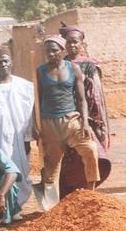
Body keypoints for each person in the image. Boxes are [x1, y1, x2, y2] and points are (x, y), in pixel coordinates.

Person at [33, 35, 100, 211]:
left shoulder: (74, 69)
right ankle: (52, 208)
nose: (51, 54)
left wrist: (85, 122)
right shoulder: (40, 72)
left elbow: (81, 99)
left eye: (55, 50)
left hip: (72, 120)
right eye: (48, 51)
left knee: (90, 150)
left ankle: (90, 192)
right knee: (51, 167)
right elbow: (37, 101)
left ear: (62, 51)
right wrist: (36, 124)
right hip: (49, 123)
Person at [58, 23, 111, 197]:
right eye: (68, 42)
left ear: (82, 44)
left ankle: (89, 193)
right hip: (66, 116)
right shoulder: (60, 64)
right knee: (69, 157)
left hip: (87, 116)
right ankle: (69, 196)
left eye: (75, 42)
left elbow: (96, 94)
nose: (72, 45)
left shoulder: (89, 65)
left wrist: (91, 119)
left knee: (91, 151)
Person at [0, 47, 34, 210]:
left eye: (5, 60)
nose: (2, 64)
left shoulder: (25, 86)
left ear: (12, 62)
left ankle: (15, 206)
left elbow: (30, 113)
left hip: (17, 137)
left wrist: (27, 137)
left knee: (18, 171)